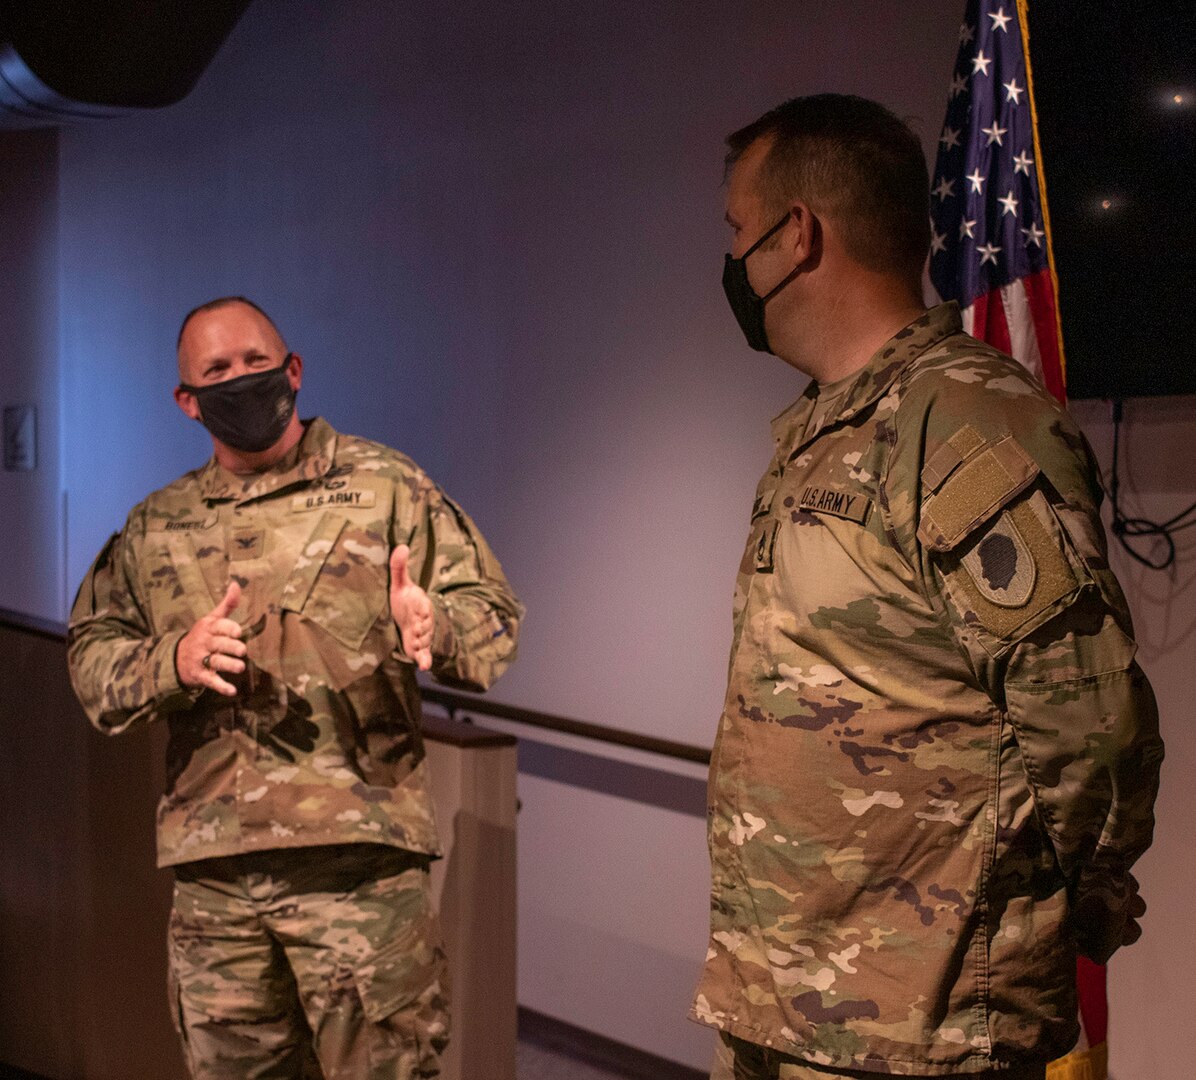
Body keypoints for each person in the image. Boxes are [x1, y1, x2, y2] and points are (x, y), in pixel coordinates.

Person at [689, 94, 1163, 1079]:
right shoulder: (828, 425)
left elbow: (1085, 721)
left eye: (738, 231)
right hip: (790, 999)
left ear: (796, 236)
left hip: (922, 1027)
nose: (732, 261)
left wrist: (1058, 906)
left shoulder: (960, 422)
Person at [67, 296, 523, 1080]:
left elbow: (494, 619)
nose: (241, 379)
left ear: (294, 370)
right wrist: (170, 662)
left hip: (360, 877)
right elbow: (91, 657)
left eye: (255, 361)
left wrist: (435, 628)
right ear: (187, 401)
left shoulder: (385, 489)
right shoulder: (157, 526)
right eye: (217, 371)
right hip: (216, 888)